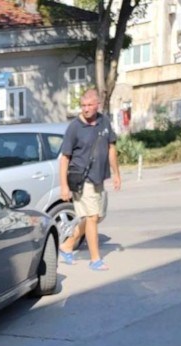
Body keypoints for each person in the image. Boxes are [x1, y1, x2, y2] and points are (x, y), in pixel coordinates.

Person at [58, 89, 121, 271]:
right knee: (92, 217)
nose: (86, 109)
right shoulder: (74, 127)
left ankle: (67, 245)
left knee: (98, 216)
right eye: (83, 105)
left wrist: (116, 174)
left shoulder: (104, 121)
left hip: (99, 178)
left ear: (97, 105)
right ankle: (95, 260)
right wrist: (64, 186)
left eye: (89, 105)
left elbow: (111, 148)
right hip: (82, 179)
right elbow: (65, 158)